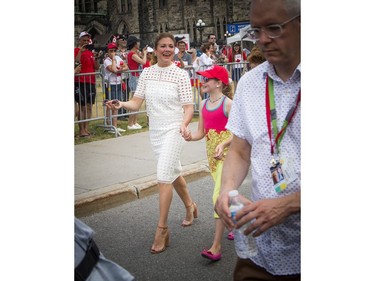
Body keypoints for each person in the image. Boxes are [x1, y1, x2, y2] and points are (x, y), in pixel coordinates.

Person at [214, 0, 301, 279]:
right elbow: (239, 151)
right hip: (258, 253)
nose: (263, 40)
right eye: (256, 30)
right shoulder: (250, 84)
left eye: (274, 28)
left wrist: (290, 204)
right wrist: (227, 190)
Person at [106, 32, 198, 254]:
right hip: (155, 132)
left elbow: (188, 107)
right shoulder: (147, 73)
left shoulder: (180, 75)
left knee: (163, 176)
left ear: (174, 49)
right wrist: (120, 104)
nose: (167, 49)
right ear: (155, 49)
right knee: (173, 172)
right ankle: (190, 206)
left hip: (175, 130)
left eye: (170, 46)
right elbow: (136, 103)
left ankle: (162, 229)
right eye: (162, 46)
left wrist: (185, 125)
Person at [184, 65, 233, 262]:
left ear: (219, 83)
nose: (203, 82)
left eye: (208, 79)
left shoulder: (228, 104)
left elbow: (240, 132)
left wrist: (223, 143)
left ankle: (216, 246)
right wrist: (189, 136)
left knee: (217, 197)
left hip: (228, 157)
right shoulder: (203, 104)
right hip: (212, 159)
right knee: (227, 194)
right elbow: (201, 132)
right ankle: (234, 223)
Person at [74, 31, 100, 137]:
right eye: (83, 40)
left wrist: (96, 58)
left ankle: (86, 128)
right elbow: (75, 62)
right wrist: (80, 51)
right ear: (79, 40)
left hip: (91, 81)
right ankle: (81, 130)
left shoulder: (90, 53)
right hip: (80, 81)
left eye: (87, 40)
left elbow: (97, 67)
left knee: (89, 106)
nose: (85, 42)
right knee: (83, 106)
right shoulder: (76, 50)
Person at [103, 43, 129, 135]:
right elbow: (113, 69)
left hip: (118, 82)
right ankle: (109, 124)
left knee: (116, 104)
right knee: (110, 104)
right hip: (111, 84)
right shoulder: (107, 60)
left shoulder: (118, 58)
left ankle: (115, 125)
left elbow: (126, 67)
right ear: (108, 51)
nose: (113, 52)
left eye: (114, 51)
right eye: (111, 51)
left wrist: (121, 70)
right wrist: (113, 59)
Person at [126, 35, 148, 130]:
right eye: (137, 42)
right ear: (135, 44)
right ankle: (130, 123)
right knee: (134, 101)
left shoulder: (134, 53)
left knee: (137, 101)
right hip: (134, 77)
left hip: (136, 77)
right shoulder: (132, 54)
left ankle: (134, 122)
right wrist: (145, 53)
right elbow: (143, 62)